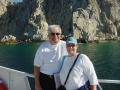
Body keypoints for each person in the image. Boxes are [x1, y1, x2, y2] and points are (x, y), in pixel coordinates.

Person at [34, 25, 67, 90]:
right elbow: (36, 67)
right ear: (48, 35)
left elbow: (74, 56)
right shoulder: (42, 48)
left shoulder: (65, 45)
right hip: (46, 79)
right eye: (52, 34)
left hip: (61, 78)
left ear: (60, 35)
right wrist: (37, 84)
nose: (55, 36)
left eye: (57, 34)